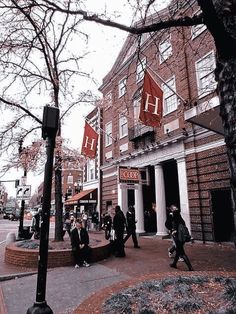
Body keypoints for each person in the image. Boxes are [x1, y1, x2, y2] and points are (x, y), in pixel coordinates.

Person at [169, 205, 194, 271]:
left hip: (178, 238)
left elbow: (173, 230)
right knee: (178, 252)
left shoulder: (175, 220)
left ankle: (190, 267)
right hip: (183, 238)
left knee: (182, 253)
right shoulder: (181, 220)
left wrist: (173, 232)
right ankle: (174, 264)